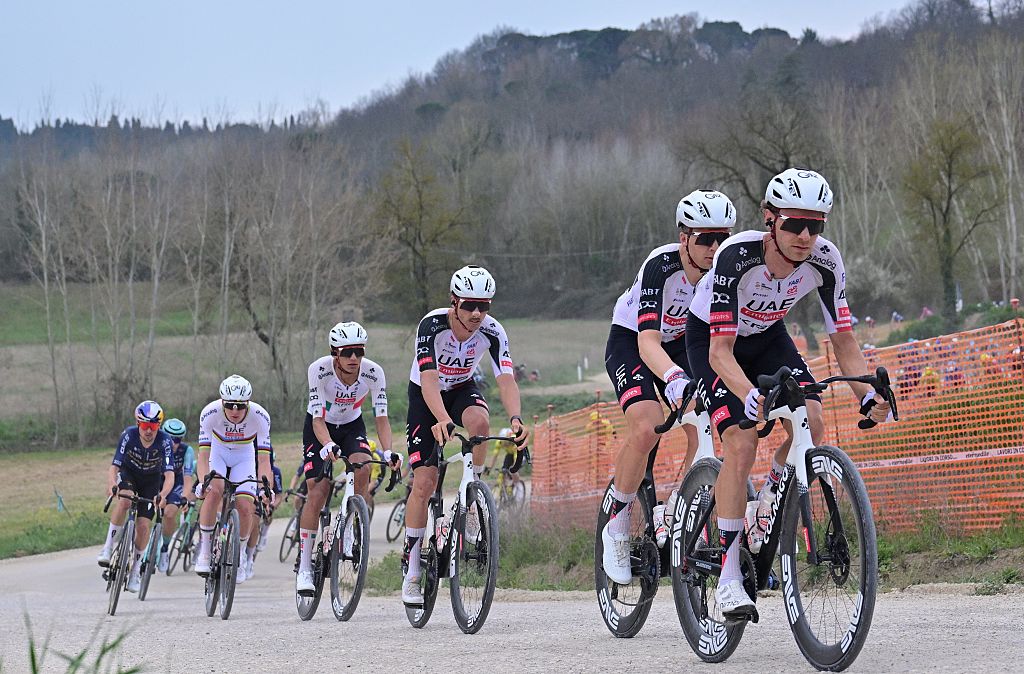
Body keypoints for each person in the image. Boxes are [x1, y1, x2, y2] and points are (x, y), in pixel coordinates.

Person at [685, 168, 892, 619]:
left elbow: (844, 342)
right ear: (769, 219)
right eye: (794, 224)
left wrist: (866, 396)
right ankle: (728, 574)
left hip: (767, 337)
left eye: (815, 226)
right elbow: (720, 352)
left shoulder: (825, 261)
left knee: (813, 421)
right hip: (713, 342)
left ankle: (767, 508)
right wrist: (748, 396)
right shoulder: (736, 257)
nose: (804, 235)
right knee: (740, 442)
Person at [600, 189, 736, 585]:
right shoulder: (661, 266)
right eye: (705, 239)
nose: (715, 248)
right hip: (635, 340)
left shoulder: (728, 270)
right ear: (684, 239)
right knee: (647, 426)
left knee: (706, 420)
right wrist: (674, 378)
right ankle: (618, 523)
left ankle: (676, 506)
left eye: (723, 238)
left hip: (682, 342)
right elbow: (647, 344)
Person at [401, 265, 527, 605]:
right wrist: (441, 419)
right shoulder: (431, 326)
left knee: (481, 425)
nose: (476, 313)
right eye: (469, 305)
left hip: (460, 388)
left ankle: (471, 498)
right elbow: (428, 379)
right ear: (453, 302)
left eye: (483, 306)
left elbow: (505, 379)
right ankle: (412, 569)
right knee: (424, 483)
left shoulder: (493, 331)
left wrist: (516, 419)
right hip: (425, 397)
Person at [295, 322, 401, 594]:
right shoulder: (318, 370)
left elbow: (382, 418)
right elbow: (318, 420)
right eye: (347, 352)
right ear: (335, 353)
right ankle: (305, 566)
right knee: (317, 491)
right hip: (320, 428)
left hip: (352, 426)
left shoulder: (374, 373)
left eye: (359, 351)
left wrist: (388, 451)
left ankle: (351, 527)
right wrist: (328, 444)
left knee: (363, 467)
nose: (354, 358)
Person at [193, 375, 273, 584]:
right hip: (218, 452)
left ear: (248, 403)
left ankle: (240, 554)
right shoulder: (209, 413)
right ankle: (205, 550)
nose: (235, 411)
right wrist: (203, 483)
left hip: (244, 455)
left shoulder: (260, 416)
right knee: (215, 490)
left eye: (240, 405)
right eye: (230, 405)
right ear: (222, 402)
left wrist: (266, 488)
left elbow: (264, 460)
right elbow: (202, 457)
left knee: (246, 506)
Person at [97, 401, 175, 594]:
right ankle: (107, 548)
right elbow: (114, 466)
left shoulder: (165, 441)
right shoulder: (128, 435)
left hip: (151, 481)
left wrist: (163, 495)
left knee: (143, 526)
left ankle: (134, 572)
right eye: (145, 426)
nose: (149, 431)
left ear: (159, 425)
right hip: (129, 474)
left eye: (154, 426)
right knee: (124, 501)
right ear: (138, 423)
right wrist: (112, 484)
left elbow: (170, 475)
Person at [156, 418, 196, 572]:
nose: (174, 443)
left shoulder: (187, 451)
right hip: (155, 479)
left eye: (177, 439)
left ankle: (165, 547)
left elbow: (187, 478)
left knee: (170, 512)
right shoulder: (156, 445)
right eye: (170, 438)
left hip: (176, 482)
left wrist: (185, 497)